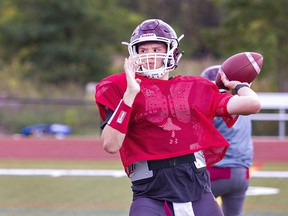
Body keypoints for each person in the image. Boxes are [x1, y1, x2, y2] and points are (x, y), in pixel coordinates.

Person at [95, 19, 260, 216]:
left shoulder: (194, 87)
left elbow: (252, 104)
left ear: (171, 51)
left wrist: (239, 86)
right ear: (134, 54)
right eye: (143, 50)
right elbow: (110, 145)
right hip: (150, 193)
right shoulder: (119, 88)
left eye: (156, 49)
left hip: (198, 190)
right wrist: (130, 94)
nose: (149, 56)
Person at [201, 65, 254, 216]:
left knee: (179, 208)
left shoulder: (218, 104)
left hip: (217, 170)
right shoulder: (244, 104)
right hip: (241, 172)